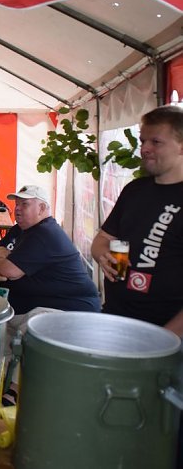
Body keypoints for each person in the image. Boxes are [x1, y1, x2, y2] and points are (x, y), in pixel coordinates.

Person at [91, 104, 183, 335]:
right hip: (115, 320)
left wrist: (164, 340)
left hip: (166, 336)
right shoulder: (135, 189)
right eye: (143, 141)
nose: (145, 149)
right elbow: (103, 238)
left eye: (156, 142)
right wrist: (102, 254)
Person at [0, 185, 101, 315]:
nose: (17, 208)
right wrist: (1, 255)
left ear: (41, 208)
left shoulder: (44, 233)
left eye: (24, 204)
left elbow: (10, 271)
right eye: (16, 204)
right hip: (41, 309)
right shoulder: (24, 230)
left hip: (67, 313)